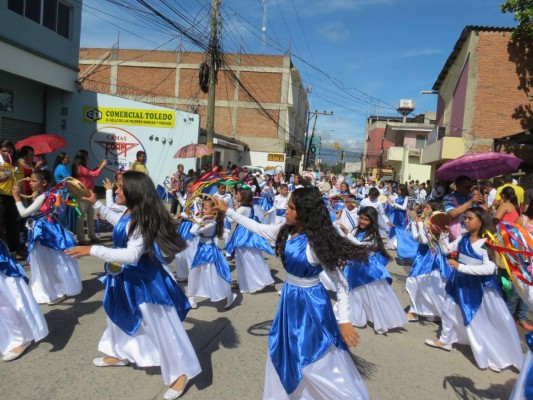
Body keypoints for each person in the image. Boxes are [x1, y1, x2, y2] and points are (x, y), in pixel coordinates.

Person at [214, 188, 370, 399]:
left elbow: (341, 284)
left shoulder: (315, 243)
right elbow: (258, 228)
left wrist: (344, 321)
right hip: (290, 298)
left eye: (291, 207)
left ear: (305, 212)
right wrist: (229, 212)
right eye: (287, 205)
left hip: (311, 303)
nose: (286, 210)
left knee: (315, 357)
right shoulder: (286, 231)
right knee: (284, 349)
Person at [65, 171, 201, 400]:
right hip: (124, 278)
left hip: (145, 282)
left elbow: (131, 255)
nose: (116, 191)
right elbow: (119, 225)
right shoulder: (130, 213)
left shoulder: (143, 219)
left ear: (133, 192)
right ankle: (120, 353)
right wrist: (96, 202)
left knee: (162, 328)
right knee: (117, 316)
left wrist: (92, 250)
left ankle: (181, 373)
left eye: (119, 188)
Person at [425, 208, 523, 373]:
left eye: (470, 218)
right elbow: (446, 250)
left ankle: (494, 355)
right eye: (465, 218)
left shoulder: (487, 243)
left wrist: (461, 267)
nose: (466, 221)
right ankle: (445, 340)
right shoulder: (463, 237)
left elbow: (490, 268)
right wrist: (441, 235)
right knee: (447, 309)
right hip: (459, 282)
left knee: (481, 321)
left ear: (481, 221)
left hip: (479, 288)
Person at [13, 170, 82, 305]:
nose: (30, 183)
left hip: (44, 231)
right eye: (30, 180)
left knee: (48, 260)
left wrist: (17, 198)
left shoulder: (43, 196)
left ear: (43, 182)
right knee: (48, 260)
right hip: (44, 229)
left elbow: (24, 213)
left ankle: (56, 290)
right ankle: (53, 288)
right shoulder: (46, 194)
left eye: (34, 181)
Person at [340, 206, 408, 334]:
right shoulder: (355, 230)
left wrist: (347, 234)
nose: (362, 221)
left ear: (372, 221)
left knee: (374, 294)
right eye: (361, 218)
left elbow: (360, 245)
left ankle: (384, 319)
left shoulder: (372, 235)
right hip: (355, 266)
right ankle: (358, 317)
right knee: (356, 292)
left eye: (366, 219)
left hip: (368, 268)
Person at [188, 197, 237, 310]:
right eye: (203, 208)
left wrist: (202, 218)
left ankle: (229, 295)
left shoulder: (212, 224)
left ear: (214, 211)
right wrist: (198, 216)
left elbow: (193, 231)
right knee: (195, 272)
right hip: (202, 249)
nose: (203, 210)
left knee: (213, 275)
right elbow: (195, 222)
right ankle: (191, 296)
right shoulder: (207, 221)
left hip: (208, 250)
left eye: (205, 208)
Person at [224, 188, 275, 293]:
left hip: (243, 234)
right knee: (252, 257)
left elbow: (230, 220)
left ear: (242, 196)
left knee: (245, 258)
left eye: (237, 194)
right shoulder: (249, 207)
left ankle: (252, 282)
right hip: (248, 233)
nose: (236, 196)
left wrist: (231, 210)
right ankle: (249, 280)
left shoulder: (242, 209)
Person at [405, 202, 449, 322]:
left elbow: (426, 241)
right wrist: (415, 224)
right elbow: (416, 238)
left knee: (433, 283)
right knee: (414, 281)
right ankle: (415, 310)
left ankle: (435, 311)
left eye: (427, 208)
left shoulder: (435, 223)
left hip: (433, 256)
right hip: (422, 255)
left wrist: (419, 224)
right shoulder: (422, 221)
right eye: (423, 207)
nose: (424, 209)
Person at [71, 150, 107, 244]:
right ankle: (81, 238)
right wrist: (102, 166)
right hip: (83, 194)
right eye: (87, 157)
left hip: (89, 193)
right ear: (83, 158)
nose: (88, 158)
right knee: (81, 216)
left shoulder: (82, 168)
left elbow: (91, 172)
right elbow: (94, 174)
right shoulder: (80, 168)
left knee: (90, 216)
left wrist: (98, 166)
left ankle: (92, 235)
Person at [0, 140, 26, 259]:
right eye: (4, 150)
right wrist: (2, 178)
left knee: (12, 225)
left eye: (9, 151)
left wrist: (22, 197)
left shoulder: (16, 165)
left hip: (13, 197)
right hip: (1, 196)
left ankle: (13, 249)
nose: (7, 153)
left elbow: (21, 181)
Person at [443, 175, 483, 240]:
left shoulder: (471, 196)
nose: (469, 189)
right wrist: (471, 201)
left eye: (470, 187)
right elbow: (452, 214)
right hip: (458, 233)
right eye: (467, 187)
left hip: (473, 231)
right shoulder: (449, 198)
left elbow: (478, 213)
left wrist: (480, 205)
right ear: (458, 186)